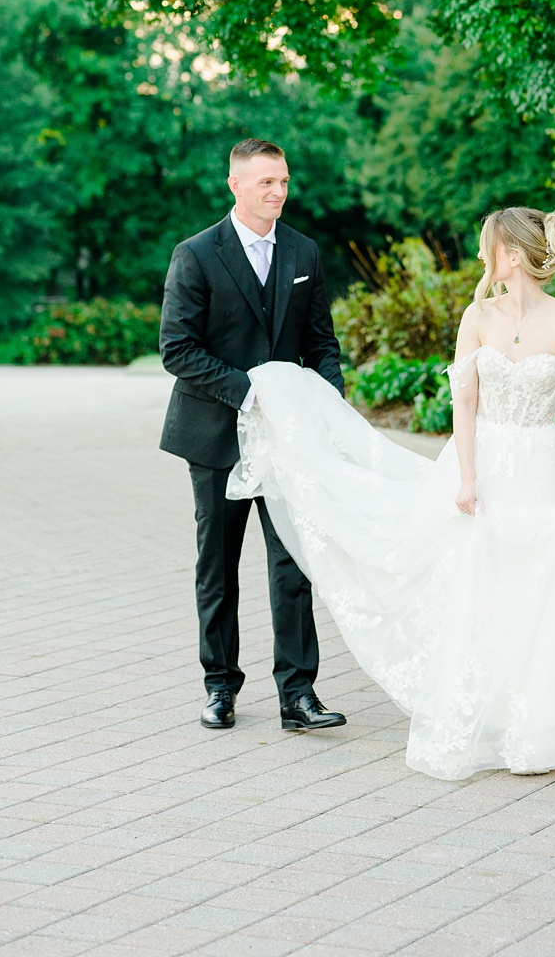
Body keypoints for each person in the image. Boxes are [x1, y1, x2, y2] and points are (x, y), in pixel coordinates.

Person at [227, 206, 555, 780]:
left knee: (538, 588)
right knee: (477, 585)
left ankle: (535, 724)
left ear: (511, 255)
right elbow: (462, 401)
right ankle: (478, 715)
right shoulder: (477, 317)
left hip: (539, 463)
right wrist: (466, 476)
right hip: (481, 461)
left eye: (489, 246)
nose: (482, 255)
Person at [158, 137, 350, 734]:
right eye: (266, 182)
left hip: (288, 441)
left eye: (285, 181)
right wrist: (253, 394)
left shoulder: (304, 252)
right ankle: (220, 687)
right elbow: (177, 349)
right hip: (214, 437)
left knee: (293, 563)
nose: (278, 192)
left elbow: (320, 342)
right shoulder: (195, 255)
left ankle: (299, 695)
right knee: (217, 565)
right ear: (235, 185)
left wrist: (326, 408)